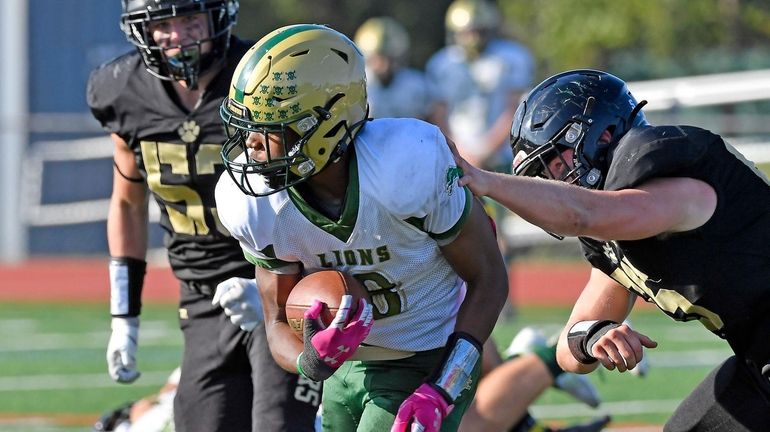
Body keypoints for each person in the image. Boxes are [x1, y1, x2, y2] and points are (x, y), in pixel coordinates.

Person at [215, 23, 510, 432]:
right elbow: (277, 322)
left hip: (424, 357)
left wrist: (443, 387)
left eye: (271, 128)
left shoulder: (406, 166)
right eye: (247, 128)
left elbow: (490, 277)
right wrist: (311, 360)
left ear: (325, 127)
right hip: (345, 372)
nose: (251, 145)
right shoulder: (255, 204)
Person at [454, 68, 770, 431]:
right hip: (757, 363)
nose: (551, 184)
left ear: (602, 136)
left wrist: (485, 181)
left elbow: (581, 213)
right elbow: (569, 344)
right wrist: (594, 337)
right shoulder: (617, 232)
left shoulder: (676, 189)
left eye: (557, 163)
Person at [86, 1, 319, 431]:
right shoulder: (123, 92)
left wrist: (277, 285)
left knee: (281, 424)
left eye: (191, 18)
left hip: (285, 284)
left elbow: (318, 192)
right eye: (163, 24)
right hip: (203, 299)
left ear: (218, 16)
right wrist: (124, 316)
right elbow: (127, 202)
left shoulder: (264, 78)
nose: (179, 35)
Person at [426, 0, 533, 172]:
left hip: (503, 155)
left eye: (478, 32)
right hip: (457, 152)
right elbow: (439, 115)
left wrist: (486, 151)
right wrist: (459, 151)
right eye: (466, 33)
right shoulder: (442, 64)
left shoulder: (511, 57)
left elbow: (515, 109)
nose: (472, 39)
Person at [353, 16, 444, 123]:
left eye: (389, 58)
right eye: (378, 58)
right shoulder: (357, 87)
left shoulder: (416, 85)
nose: (384, 65)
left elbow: (437, 116)